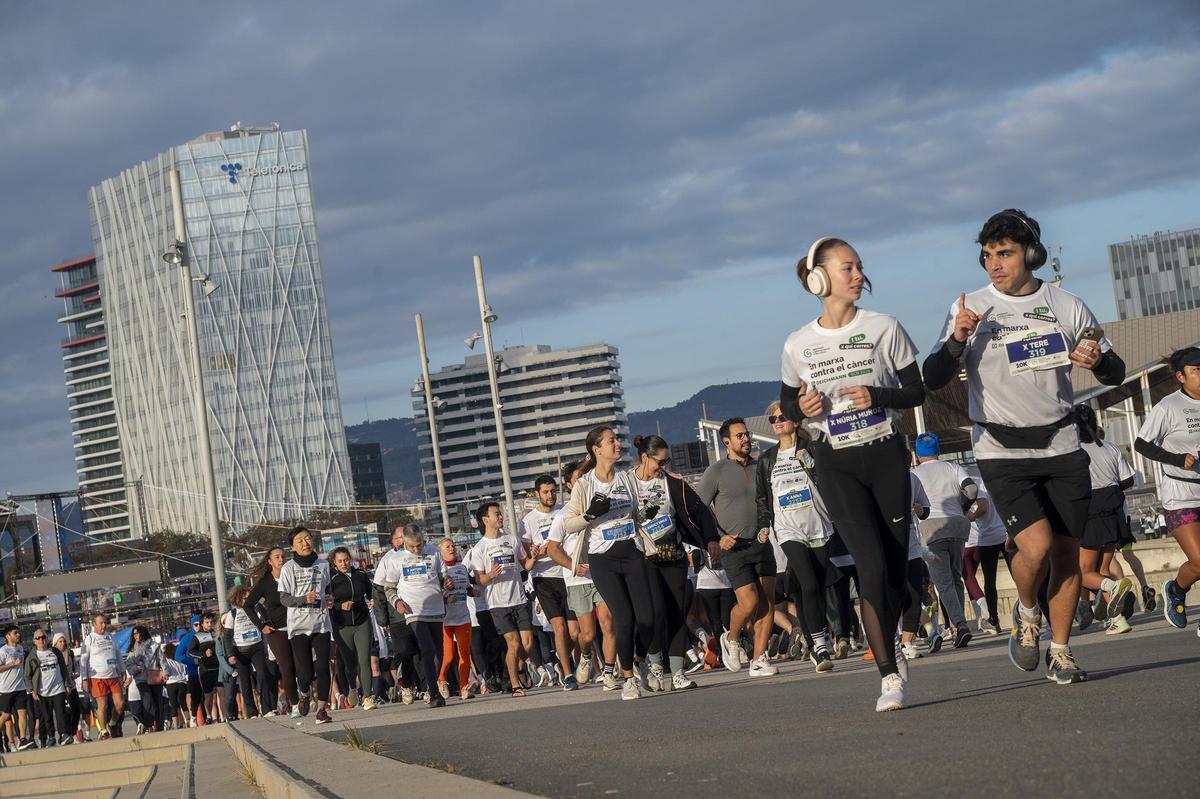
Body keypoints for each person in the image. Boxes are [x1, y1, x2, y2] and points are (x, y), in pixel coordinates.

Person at [924, 209, 1126, 685]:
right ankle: (1027, 611)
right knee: (1033, 547)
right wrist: (957, 340)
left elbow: (1114, 370)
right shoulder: (970, 306)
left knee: (1065, 554)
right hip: (1000, 445)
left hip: (1061, 441)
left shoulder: (1067, 304)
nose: (995, 264)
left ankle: (1061, 650)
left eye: (1006, 253)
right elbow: (931, 378)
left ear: (1031, 255)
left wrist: (1096, 361)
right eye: (988, 254)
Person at [780, 236, 927, 711]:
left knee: (895, 571)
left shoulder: (884, 327)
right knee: (869, 566)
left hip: (885, 455)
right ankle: (888, 673)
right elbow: (787, 404)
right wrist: (801, 407)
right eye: (848, 268)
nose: (859, 276)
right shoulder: (798, 344)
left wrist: (878, 395)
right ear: (820, 279)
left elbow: (917, 391)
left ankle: (896, 629)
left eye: (860, 267)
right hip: (836, 463)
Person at [562, 426, 658, 701]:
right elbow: (570, 524)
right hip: (602, 559)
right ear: (596, 449)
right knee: (624, 618)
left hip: (632, 552)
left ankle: (639, 658)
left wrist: (645, 513)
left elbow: (636, 514)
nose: (618, 444)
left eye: (617, 440)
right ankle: (627, 677)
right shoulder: (584, 484)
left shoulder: (627, 478)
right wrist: (590, 515)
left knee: (648, 618)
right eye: (611, 441)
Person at [632, 434, 721, 690]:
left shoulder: (674, 483)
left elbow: (700, 511)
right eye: (659, 461)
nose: (664, 466)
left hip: (673, 555)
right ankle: (656, 666)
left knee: (677, 613)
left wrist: (711, 539)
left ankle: (678, 672)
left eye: (667, 461)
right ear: (644, 457)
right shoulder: (628, 483)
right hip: (643, 558)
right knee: (655, 614)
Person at [757, 402, 838, 672]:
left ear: (796, 421)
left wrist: (809, 460)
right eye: (773, 418)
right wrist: (764, 525)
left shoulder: (813, 449)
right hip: (788, 529)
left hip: (820, 525)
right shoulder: (768, 458)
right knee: (809, 583)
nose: (777, 421)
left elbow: (828, 479)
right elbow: (762, 497)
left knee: (814, 586)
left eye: (782, 417)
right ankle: (820, 646)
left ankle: (817, 635)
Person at [698, 418, 779, 678]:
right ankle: (731, 638)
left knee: (767, 603)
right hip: (733, 548)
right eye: (740, 435)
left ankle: (758, 659)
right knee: (749, 602)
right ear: (726, 441)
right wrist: (717, 537)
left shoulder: (761, 466)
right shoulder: (717, 471)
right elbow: (699, 511)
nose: (746, 439)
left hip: (762, 542)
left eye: (747, 434)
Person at [1135, 346, 1200, 634]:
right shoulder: (1167, 407)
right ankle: (1176, 589)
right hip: (1181, 493)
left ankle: (1176, 588)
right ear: (1181, 376)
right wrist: (1176, 459)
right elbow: (1142, 444)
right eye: (1197, 371)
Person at [547, 460, 620, 689]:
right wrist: (571, 565)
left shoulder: (601, 507)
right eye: (578, 479)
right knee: (586, 635)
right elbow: (552, 549)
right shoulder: (563, 515)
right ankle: (586, 655)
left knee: (608, 624)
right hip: (577, 580)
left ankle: (609, 672)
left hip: (601, 574)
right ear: (570, 485)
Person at [911, 432, 983, 649]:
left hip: (932, 528)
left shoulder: (914, 473)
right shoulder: (954, 467)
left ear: (917, 453)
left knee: (943, 583)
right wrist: (962, 506)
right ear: (938, 451)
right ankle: (955, 627)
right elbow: (971, 489)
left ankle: (960, 625)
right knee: (955, 578)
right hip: (958, 526)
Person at [1074, 405, 1137, 634]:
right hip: (1114, 513)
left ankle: (1113, 586)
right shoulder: (1110, 448)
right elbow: (1129, 480)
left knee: (1084, 572)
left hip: (1089, 513)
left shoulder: (1073, 451)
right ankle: (1117, 619)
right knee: (1102, 568)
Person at [464, 502, 535, 698]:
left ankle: (519, 667)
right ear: (485, 519)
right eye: (497, 514)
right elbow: (480, 580)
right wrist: (491, 574)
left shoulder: (512, 540)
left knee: (527, 644)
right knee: (513, 644)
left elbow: (526, 566)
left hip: (518, 599)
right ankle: (514, 686)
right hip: (497, 604)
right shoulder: (479, 549)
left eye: (501, 514)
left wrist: (534, 558)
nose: (501, 517)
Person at [380, 527, 450, 708]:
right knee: (426, 650)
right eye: (412, 547)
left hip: (435, 608)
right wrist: (396, 603)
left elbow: (443, 576)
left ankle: (434, 684)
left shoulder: (434, 552)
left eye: (419, 545)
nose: (416, 550)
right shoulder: (396, 559)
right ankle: (433, 692)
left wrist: (447, 582)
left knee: (439, 653)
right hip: (414, 611)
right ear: (404, 542)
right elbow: (389, 587)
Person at [521, 476, 576, 690]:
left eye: (553, 491)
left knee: (575, 632)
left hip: (567, 575)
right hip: (544, 578)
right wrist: (536, 552)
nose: (550, 495)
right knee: (559, 627)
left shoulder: (564, 512)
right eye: (545, 492)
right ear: (537, 494)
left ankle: (563, 660)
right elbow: (526, 557)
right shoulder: (528, 521)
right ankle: (568, 673)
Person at [277, 525, 334, 724]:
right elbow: (284, 598)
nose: (305, 543)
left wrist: (330, 599)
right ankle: (304, 692)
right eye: (300, 540)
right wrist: (303, 599)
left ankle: (321, 710)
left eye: (307, 538)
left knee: (324, 667)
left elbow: (328, 590)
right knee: (306, 672)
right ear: (292, 547)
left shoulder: (324, 565)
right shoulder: (288, 568)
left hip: (321, 624)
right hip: (298, 625)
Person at [244, 546, 299, 717]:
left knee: (303, 666)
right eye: (277, 557)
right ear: (270, 562)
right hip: (277, 630)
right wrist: (261, 625)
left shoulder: (293, 575)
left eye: (283, 556)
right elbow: (248, 605)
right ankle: (295, 704)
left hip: (298, 625)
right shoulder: (265, 583)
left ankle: (303, 696)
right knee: (287, 668)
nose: (281, 559)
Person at [373, 526, 420, 703]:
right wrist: (382, 618)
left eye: (405, 537)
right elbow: (378, 590)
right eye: (399, 537)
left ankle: (426, 688)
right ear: (393, 541)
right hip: (397, 616)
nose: (402, 540)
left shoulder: (420, 554)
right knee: (406, 652)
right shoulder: (388, 560)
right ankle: (406, 684)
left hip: (419, 612)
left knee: (423, 651)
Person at [328, 547, 377, 710]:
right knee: (350, 664)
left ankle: (368, 697)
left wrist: (372, 601)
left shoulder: (361, 576)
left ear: (351, 559)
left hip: (363, 622)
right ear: (334, 562)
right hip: (342, 626)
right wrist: (339, 605)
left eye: (346, 560)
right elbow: (327, 603)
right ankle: (353, 688)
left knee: (364, 660)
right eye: (340, 561)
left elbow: (371, 594)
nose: (344, 563)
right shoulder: (331, 579)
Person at [963, 479, 1007, 634]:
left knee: (989, 581)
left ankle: (993, 619)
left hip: (988, 538)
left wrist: (968, 517)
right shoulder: (999, 482)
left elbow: (982, 507)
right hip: (1005, 533)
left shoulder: (979, 485)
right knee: (1019, 575)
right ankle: (1031, 611)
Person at [437, 538, 476, 700]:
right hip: (446, 618)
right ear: (441, 552)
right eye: (448, 547)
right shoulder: (438, 570)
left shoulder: (462, 568)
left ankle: (463, 686)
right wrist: (446, 600)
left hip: (463, 616)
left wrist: (477, 591)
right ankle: (441, 679)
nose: (452, 548)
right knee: (449, 655)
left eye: (453, 545)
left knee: (465, 653)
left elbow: (468, 589)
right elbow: (432, 594)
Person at [80, 613, 127, 738]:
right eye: (101, 623)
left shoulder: (110, 637)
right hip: (97, 677)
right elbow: (83, 660)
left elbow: (118, 654)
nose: (104, 625)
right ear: (94, 625)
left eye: (105, 622)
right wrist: (84, 678)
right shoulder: (90, 639)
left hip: (113, 675)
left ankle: (112, 723)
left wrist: (123, 670)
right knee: (103, 705)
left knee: (120, 704)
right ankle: (103, 731)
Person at [223, 585, 268, 718]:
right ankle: (252, 712)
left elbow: (266, 621)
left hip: (257, 647)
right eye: (244, 599)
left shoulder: (255, 608)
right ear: (238, 599)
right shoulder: (233, 614)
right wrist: (230, 654)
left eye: (249, 598)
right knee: (245, 682)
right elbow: (227, 636)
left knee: (263, 676)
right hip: (240, 651)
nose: (247, 600)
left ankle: (267, 708)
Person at [0, 625, 34, 750]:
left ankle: (22, 739)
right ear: (8, 636)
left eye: (18, 633)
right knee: (5, 716)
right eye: (15, 633)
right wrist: (13, 663)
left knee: (23, 713)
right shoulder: (3, 651)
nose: (18, 635)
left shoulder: (20, 648)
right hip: (6, 689)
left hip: (20, 687)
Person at [125, 625, 164, 734]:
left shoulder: (154, 645)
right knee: (148, 701)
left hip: (154, 676)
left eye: (137, 633)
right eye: (134, 634)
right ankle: (147, 725)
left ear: (143, 633)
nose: (135, 636)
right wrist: (135, 669)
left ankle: (159, 727)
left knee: (158, 703)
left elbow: (162, 659)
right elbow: (128, 664)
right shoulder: (133, 648)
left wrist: (166, 672)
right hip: (141, 678)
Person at [188, 611, 221, 723]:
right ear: (202, 623)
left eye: (211, 622)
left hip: (219, 667)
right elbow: (190, 652)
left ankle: (225, 716)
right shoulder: (197, 636)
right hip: (205, 670)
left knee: (221, 692)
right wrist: (202, 654)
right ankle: (209, 716)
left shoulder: (216, 633)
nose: (210, 624)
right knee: (209, 696)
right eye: (207, 622)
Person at [162, 643, 189, 730]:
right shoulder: (179, 659)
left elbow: (165, 670)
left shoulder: (166, 660)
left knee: (174, 705)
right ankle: (188, 721)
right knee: (183, 703)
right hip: (182, 682)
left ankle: (176, 725)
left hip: (171, 683)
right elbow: (185, 669)